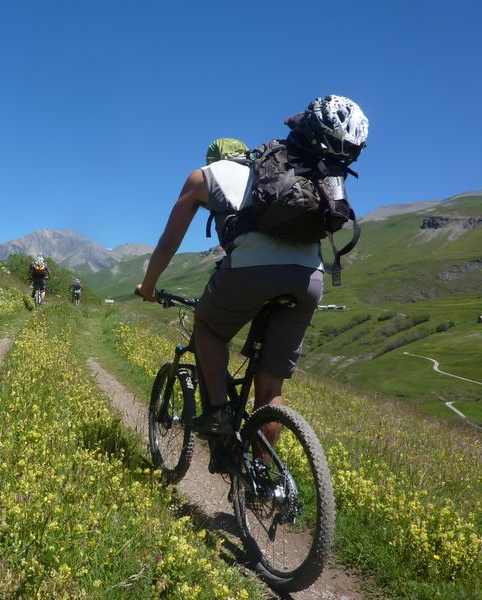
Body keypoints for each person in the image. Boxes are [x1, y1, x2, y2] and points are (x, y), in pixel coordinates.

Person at [136, 95, 368, 435]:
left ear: (212, 158)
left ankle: (217, 413)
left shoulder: (205, 177)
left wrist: (149, 285)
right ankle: (264, 484)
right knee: (271, 391)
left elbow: (168, 243)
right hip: (310, 278)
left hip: (252, 271)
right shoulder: (287, 170)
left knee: (208, 328)